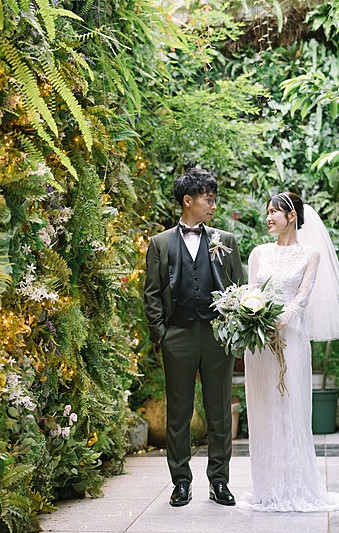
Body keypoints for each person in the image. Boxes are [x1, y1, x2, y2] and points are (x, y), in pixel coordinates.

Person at [240, 192, 339, 512]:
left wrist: (282, 321)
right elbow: (251, 292)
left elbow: (302, 296)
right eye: (267, 212)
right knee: (264, 408)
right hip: (260, 343)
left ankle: (296, 486)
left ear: (291, 216)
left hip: (291, 338)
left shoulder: (310, 254)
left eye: (274, 212)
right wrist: (253, 318)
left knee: (291, 407)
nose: (268, 218)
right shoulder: (258, 253)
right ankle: (267, 489)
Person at [144, 166, 244, 507]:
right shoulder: (160, 244)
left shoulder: (225, 241)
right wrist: (161, 334)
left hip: (218, 336)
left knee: (219, 412)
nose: (213, 205)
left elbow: (238, 288)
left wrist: (234, 331)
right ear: (188, 201)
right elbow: (152, 293)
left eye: (214, 199)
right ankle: (181, 482)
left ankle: (219, 481)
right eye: (208, 199)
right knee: (179, 414)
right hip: (178, 336)